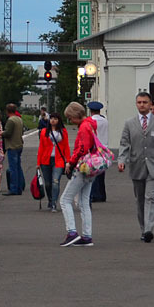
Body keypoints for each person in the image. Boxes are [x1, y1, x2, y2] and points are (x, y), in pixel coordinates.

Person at [118, 92, 154, 243]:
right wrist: (122, 160)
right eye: (139, 102)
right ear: (136, 104)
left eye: (145, 102)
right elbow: (125, 144)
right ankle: (143, 228)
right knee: (140, 200)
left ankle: (149, 229)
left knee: (150, 197)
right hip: (137, 166)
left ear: (150, 104)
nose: (142, 105)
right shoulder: (129, 123)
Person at [59, 102, 97, 246]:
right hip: (92, 167)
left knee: (65, 200)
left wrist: (71, 162)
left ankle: (72, 232)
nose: (70, 121)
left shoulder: (84, 127)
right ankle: (87, 236)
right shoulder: (92, 125)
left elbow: (82, 149)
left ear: (76, 115)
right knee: (84, 202)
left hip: (82, 167)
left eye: (70, 118)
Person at [37, 113, 70, 212]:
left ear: (59, 120)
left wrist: (68, 161)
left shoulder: (63, 132)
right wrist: (38, 163)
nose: (53, 120)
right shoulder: (44, 132)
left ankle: (54, 203)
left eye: (55, 119)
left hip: (58, 160)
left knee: (55, 181)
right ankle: (50, 200)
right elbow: (41, 148)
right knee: (47, 183)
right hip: (45, 160)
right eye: (51, 118)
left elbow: (66, 147)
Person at [87, 101, 109, 203]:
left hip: (94, 148)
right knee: (101, 172)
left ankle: (95, 194)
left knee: (93, 172)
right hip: (104, 148)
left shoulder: (89, 121)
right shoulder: (105, 121)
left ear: (91, 111)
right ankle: (102, 194)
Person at [2, 103, 25, 195]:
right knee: (18, 167)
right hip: (19, 145)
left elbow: (8, 133)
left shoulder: (10, 120)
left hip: (12, 146)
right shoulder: (19, 119)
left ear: (7, 111)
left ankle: (13, 189)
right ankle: (19, 187)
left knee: (13, 169)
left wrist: (1, 133)